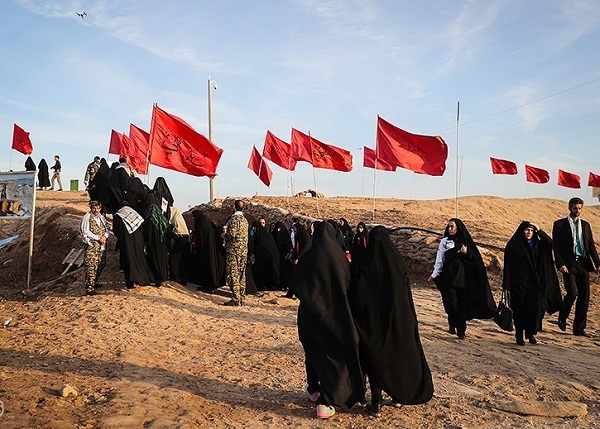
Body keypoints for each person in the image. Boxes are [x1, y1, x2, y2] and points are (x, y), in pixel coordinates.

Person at [349, 226, 433, 417]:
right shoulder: (397, 264)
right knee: (397, 358)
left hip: (372, 326)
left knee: (374, 360)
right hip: (397, 323)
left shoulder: (366, 265)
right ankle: (397, 396)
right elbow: (406, 296)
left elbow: (357, 296)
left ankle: (376, 403)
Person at [289, 221, 365, 419]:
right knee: (334, 356)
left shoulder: (308, 257)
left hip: (309, 316)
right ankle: (328, 399)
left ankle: (313, 390)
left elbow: (295, 284)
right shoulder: (338, 258)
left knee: (313, 353)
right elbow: (349, 285)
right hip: (335, 315)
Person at [427, 218, 496, 339]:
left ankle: (461, 331)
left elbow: (475, 260)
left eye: (452, 226)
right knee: (451, 303)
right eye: (448, 227)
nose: (450, 229)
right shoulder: (444, 242)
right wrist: (434, 274)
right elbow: (440, 259)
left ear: (458, 228)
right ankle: (452, 323)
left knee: (462, 305)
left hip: (463, 279)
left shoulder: (465, 242)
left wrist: (467, 252)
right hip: (448, 277)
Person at [503, 222, 561, 345]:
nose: (529, 232)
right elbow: (507, 266)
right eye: (526, 230)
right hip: (519, 283)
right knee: (519, 309)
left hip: (535, 283)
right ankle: (519, 335)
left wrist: (539, 230)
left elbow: (550, 243)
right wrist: (506, 284)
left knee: (535, 310)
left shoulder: (538, 244)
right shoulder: (514, 245)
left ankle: (530, 334)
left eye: (531, 230)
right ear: (521, 231)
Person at [552, 197, 600, 337]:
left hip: (583, 263)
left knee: (584, 298)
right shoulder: (559, 225)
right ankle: (563, 316)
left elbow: (590, 246)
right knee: (572, 293)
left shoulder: (585, 225)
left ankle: (579, 329)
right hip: (569, 263)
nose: (577, 211)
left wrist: (598, 264)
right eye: (575, 208)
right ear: (569, 208)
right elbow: (557, 247)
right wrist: (560, 264)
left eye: (579, 208)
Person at [113, 201, 152, 289]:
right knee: (139, 258)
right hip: (138, 241)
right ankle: (142, 280)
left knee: (129, 260)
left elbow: (116, 230)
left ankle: (131, 282)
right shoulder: (135, 214)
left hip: (126, 242)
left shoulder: (119, 215)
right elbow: (142, 228)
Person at [79, 200, 110, 296]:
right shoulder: (87, 218)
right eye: (94, 208)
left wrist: (104, 236)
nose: (96, 210)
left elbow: (107, 228)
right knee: (91, 266)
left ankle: (94, 282)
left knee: (101, 263)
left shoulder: (102, 217)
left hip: (101, 245)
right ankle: (89, 287)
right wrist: (98, 238)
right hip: (91, 245)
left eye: (97, 208)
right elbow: (85, 231)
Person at [223, 200, 249, 306]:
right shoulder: (245, 220)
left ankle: (235, 298)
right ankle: (242, 297)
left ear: (234, 207)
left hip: (234, 250)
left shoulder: (234, 219)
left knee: (232, 274)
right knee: (242, 274)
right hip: (243, 251)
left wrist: (224, 235)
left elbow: (231, 235)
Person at [282, 217, 312, 299]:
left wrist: (298, 258)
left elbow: (305, 249)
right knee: (294, 277)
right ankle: (290, 293)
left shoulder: (306, 239)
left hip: (304, 261)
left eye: (295, 230)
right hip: (298, 262)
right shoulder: (298, 238)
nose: (294, 232)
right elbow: (296, 249)